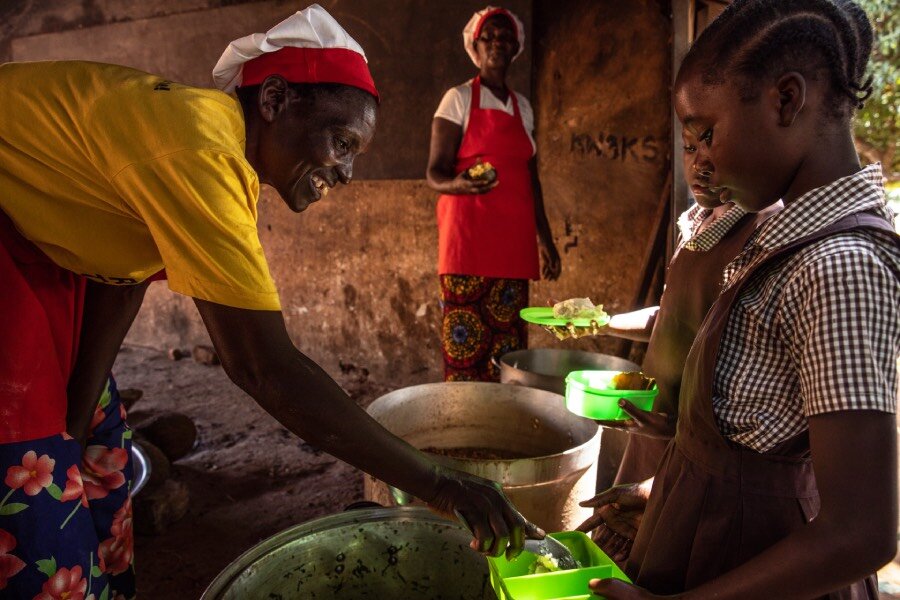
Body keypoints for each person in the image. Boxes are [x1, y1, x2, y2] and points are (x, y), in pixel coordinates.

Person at [0, 5, 540, 598]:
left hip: (57, 259)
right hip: (16, 250)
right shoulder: (200, 147)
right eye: (342, 141)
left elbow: (121, 272)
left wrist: (74, 418)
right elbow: (261, 364)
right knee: (34, 502)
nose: (348, 172)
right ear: (277, 99)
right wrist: (439, 483)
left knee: (95, 464)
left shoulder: (215, 158)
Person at [586, 1, 899, 598]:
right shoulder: (782, 245)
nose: (699, 161)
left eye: (708, 133)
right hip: (710, 537)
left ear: (786, 100)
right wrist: (671, 488)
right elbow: (764, 440)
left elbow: (858, 531)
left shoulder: (839, 267)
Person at [557, 183, 781, 559]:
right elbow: (671, 317)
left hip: (699, 432)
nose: (700, 162)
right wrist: (600, 321)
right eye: (690, 146)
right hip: (654, 416)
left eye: (709, 140)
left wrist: (679, 426)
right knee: (628, 536)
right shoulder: (698, 221)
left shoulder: (764, 226)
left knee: (671, 542)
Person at [426, 6, 561, 382]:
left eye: (505, 37)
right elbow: (435, 173)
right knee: (465, 345)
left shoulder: (524, 108)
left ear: (515, 46)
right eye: (490, 37)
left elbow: (531, 180)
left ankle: (500, 426)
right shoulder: (457, 99)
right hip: (467, 241)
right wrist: (461, 184)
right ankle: (463, 428)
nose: (497, 43)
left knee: (508, 349)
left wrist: (545, 241)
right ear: (475, 45)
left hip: (513, 245)